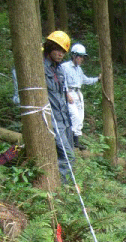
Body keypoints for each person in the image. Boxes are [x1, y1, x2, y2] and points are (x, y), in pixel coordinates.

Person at [43, 30, 74, 183]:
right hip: (52, 119)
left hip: (64, 119)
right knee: (68, 155)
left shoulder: (59, 69)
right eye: (58, 49)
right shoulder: (40, 67)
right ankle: (64, 187)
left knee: (69, 153)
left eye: (63, 51)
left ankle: (63, 184)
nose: (60, 54)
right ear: (49, 47)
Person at [61, 43, 101, 150]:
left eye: (82, 57)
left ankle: (76, 142)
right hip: (70, 93)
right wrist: (66, 94)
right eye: (80, 56)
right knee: (74, 116)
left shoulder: (79, 69)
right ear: (74, 56)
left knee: (80, 118)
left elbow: (85, 80)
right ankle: (71, 141)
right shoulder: (65, 67)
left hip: (78, 94)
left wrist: (97, 79)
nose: (81, 59)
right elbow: (62, 81)